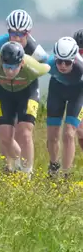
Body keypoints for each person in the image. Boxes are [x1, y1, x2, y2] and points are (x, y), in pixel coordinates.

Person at [0, 41, 49, 175]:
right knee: (4, 136)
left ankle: (27, 173)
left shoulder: (33, 67)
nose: (10, 71)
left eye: (14, 67)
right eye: (6, 66)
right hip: (4, 94)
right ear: (1, 62)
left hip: (27, 93)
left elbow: (47, 66)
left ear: (22, 63)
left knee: (25, 132)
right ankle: (18, 165)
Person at [44, 37, 83, 176]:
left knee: (68, 134)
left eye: (67, 62)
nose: (63, 66)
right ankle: (54, 167)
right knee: (52, 135)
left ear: (74, 60)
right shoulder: (48, 62)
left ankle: (66, 174)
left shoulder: (81, 67)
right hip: (56, 91)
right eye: (59, 61)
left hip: (78, 93)